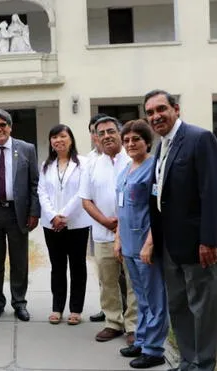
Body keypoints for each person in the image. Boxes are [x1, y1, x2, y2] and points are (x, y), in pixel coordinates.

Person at [145, 89, 217, 371]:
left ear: (176, 109)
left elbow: (212, 193)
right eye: (150, 112)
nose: (156, 116)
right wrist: (156, 241)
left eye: (161, 109)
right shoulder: (161, 146)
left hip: (198, 246)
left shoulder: (199, 139)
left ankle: (204, 364)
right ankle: (188, 361)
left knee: (203, 309)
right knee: (178, 306)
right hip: (170, 246)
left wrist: (208, 240)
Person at [114, 119, 168, 369]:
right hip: (129, 243)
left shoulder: (153, 168)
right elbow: (121, 207)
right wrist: (118, 238)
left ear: (148, 141)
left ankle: (155, 349)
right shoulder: (126, 169)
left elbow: (159, 211)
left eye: (136, 139)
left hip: (146, 245)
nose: (130, 143)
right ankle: (143, 339)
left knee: (155, 298)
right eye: (126, 140)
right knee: (141, 297)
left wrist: (150, 243)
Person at [0, 108, 40, 322]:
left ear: (10, 126)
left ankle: (19, 302)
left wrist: (34, 212)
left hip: (17, 213)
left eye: (2, 125)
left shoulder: (26, 149)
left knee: (19, 260)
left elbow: (34, 183)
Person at [80, 116, 138, 345]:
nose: (106, 136)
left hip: (132, 232)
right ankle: (113, 322)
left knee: (134, 282)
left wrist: (121, 225)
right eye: (101, 132)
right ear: (96, 137)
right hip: (103, 233)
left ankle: (133, 326)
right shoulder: (92, 164)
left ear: (120, 133)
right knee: (108, 281)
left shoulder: (132, 158)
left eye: (110, 131)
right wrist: (106, 222)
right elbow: (86, 200)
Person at [37, 125, 92, 325]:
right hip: (51, 225)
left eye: (62, 136)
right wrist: (53, 216)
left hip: (77, 223)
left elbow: (82, 192)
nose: (58, 140)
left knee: (78, 266)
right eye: (54, 137)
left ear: (71, 139)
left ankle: (76, 309)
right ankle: (57, 307)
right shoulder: (45, 165)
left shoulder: (83, 164)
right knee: (57, 266)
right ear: (50, 142)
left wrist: (64, 215)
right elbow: (42, 192)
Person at [86, 113, 109, 323]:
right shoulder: (89, 160)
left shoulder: (123, 156)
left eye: (105, 131)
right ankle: (108, 308)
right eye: (95, 132)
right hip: (97, 225)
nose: (99, 136)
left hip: (120, 225)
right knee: (102, 269)